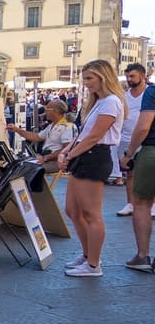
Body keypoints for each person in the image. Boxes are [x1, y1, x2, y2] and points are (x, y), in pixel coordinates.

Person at [59, 59, 126, 278]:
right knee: (73, 210)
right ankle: (88, 255)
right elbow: (84, 133)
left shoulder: (111, 102)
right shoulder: (99, 102)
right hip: (85, 154)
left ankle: (94, 264)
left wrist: (69, 154)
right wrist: (66, 152)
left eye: (90, 78)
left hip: (94, 156)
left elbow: (95, 136)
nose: (86, 83)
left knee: (91, 213)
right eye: (85, 78)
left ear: (103, 77)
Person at [119, 72, 155, 270]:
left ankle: (142, 256)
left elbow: (143, 127)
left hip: (152, 151)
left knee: (141, 203)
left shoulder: (152, 92)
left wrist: (129, 153)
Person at [114, 64, 151, 210]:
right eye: (128, 76)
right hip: (126, 138)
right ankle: (130, 203)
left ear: (142, 76)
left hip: (147, 139)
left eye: (132, 76)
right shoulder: (123, 96)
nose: (129, 79)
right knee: (130, 173)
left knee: (148, 173)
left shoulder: (150, 93)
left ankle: (152, 204)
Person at [9, 99, 75, 172]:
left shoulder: (67, 127)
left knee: (28, 170)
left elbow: (66, 149)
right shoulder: (52, 125)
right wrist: (17, 130)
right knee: (21, 165)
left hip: (56, 162)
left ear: (56, 111)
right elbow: (36, 137)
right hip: (48, 158)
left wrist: (45, 158)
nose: (45, 112)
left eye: (47, 109)